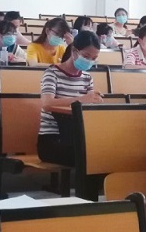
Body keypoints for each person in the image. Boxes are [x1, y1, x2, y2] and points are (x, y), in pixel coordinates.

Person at [37, 32, 103, 165]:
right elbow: (47, 104)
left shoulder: (87, 78)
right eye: (86, 56)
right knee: (89, 158)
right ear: (74, 51)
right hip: (52, 140)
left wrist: (95, 101)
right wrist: (81, 99)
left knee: (104, 153)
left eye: (94, 58)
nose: (89, 61)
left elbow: (88, 106)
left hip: (76, 136)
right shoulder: (52, 73)